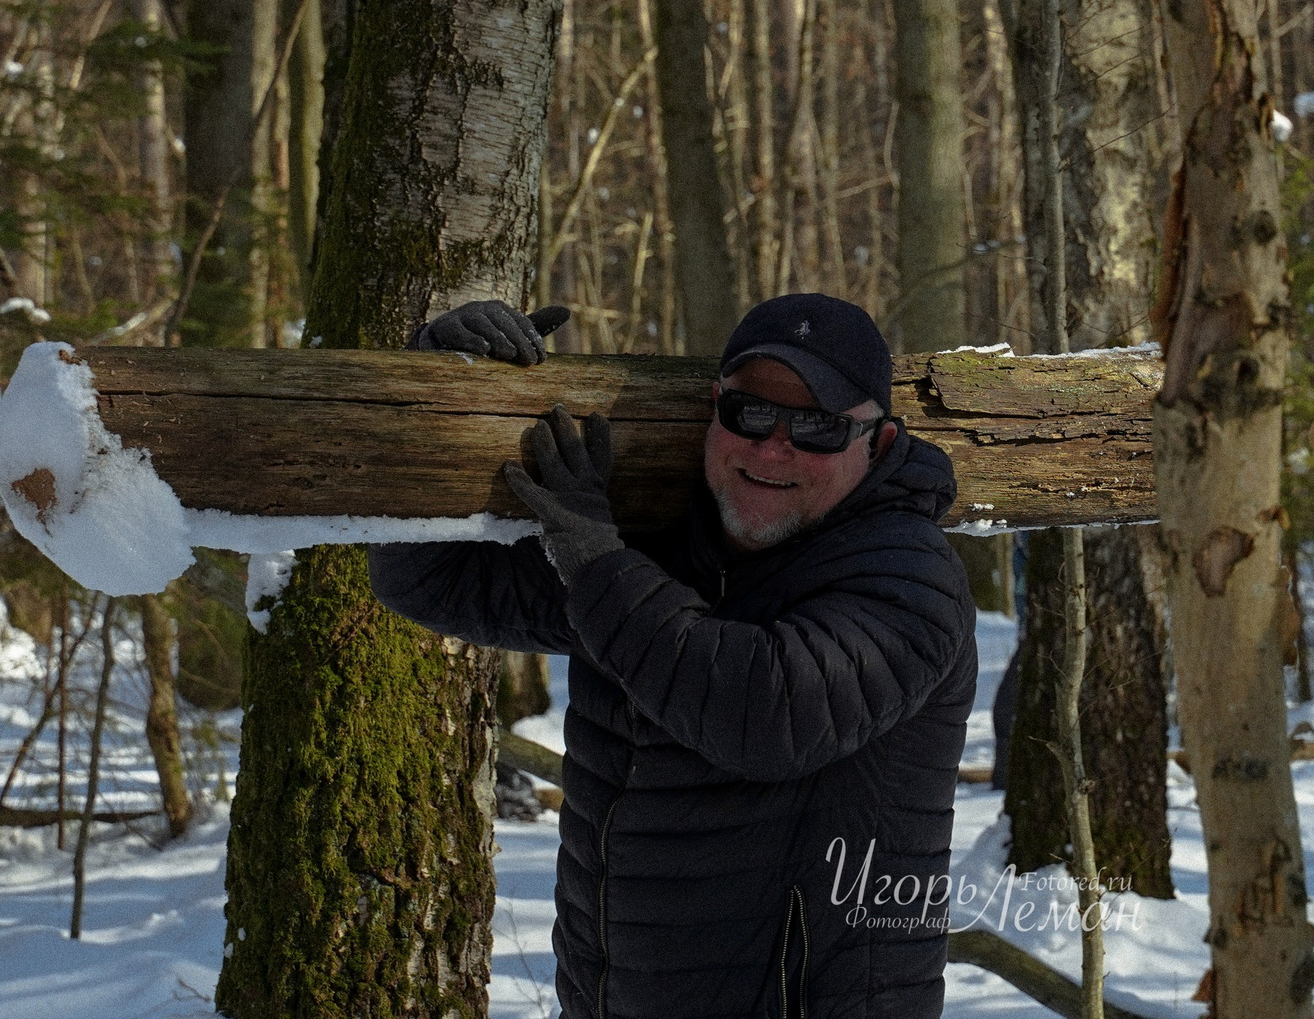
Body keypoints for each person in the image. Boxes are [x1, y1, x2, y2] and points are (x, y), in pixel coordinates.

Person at [369, 293, 977, 1018]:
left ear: (877, 444)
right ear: (715, 410)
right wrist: (434, 394)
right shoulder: (652, 548)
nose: (771, 447)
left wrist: (593, 559)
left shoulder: (910, 575)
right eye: (750, 413)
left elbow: (764, 712)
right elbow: (429, 580)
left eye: (816, 427)